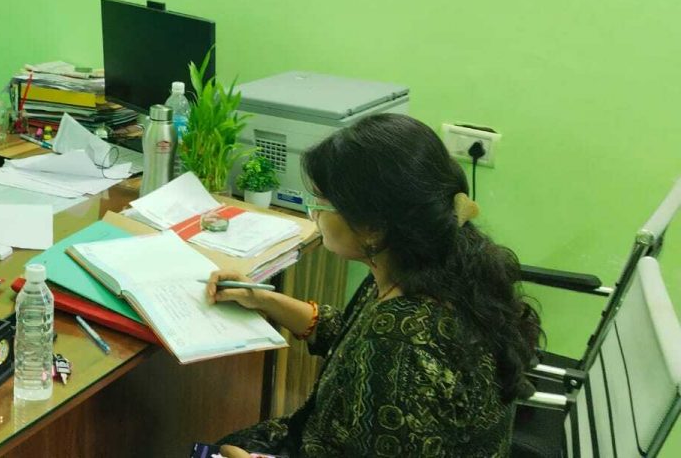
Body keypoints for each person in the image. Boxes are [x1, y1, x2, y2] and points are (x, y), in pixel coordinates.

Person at [207, 114, 540, 457]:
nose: (314, 214)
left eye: (322, 203)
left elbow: (380, 355)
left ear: (373, 226)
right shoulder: (431, 264)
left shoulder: (399, 344)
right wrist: (264, 300)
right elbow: (351, 338)